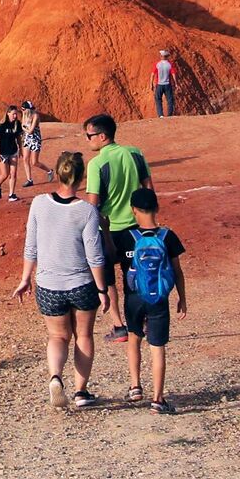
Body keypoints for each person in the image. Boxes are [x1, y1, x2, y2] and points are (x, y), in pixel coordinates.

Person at [12, 151, 108, 411]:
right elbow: (95, 255)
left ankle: (55, 377)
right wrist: (102, 289)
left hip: (48, 284)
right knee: (84, 335)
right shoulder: (87, 211)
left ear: (59, 171)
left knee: (57, 336)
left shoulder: (39, 203)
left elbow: (30, 246)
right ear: (81, 177)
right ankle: (81, 391)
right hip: (81, 284)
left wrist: (25, 279)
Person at [83, 113, 150, 342]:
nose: (87, 139)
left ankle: (119, 326)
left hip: (109, 231)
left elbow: (92, 205)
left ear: (102, 136)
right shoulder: (135, 153)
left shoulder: (97, 164)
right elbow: (148, 189)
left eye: (89, 135)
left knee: (109, 279)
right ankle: (143, 320)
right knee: (136, 275)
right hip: (137, 228)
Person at [120, 187, 188, 414]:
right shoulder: (168, 236)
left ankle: (135, 386)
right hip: (158, 298)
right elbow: (177, 271)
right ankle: (158, 400)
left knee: (133, 338)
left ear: (133, 210)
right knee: (157, 348)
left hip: (133, 298)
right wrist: (182, 298)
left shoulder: (127, 237)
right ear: (157, 208)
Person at [0, 105, 24, 201]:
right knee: (5, 174)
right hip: (2, 153)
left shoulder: (17, 124)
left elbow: (18, 137)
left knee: (13, 174)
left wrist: (20, 149)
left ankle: (11, 195)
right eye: (13, 114)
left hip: (13, 151)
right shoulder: (2, 125)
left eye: (16, 114)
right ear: (8, 113)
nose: (15, 116)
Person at [19, 101, 48, 186]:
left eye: (24, 109)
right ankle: (29, 180)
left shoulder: (35, 116)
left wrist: (24, 129)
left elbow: (31, 131)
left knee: (34, 162)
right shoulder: (24, 115)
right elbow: (24, 128)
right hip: (27, 139)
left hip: (35, 139)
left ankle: (49, 171)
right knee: (25, 159)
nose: (22, 111)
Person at [150, 49, 177, 118]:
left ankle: (161, 115)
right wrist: (176, 83)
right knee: (170, 100)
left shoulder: (157, 64)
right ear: (167, 56)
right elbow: (173, 74)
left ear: (161, 56)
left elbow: (152, 74)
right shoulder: (170, 65)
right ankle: (169, 115)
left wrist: (151, 84)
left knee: (158, 99)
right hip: (167, 84)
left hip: (159, 85)